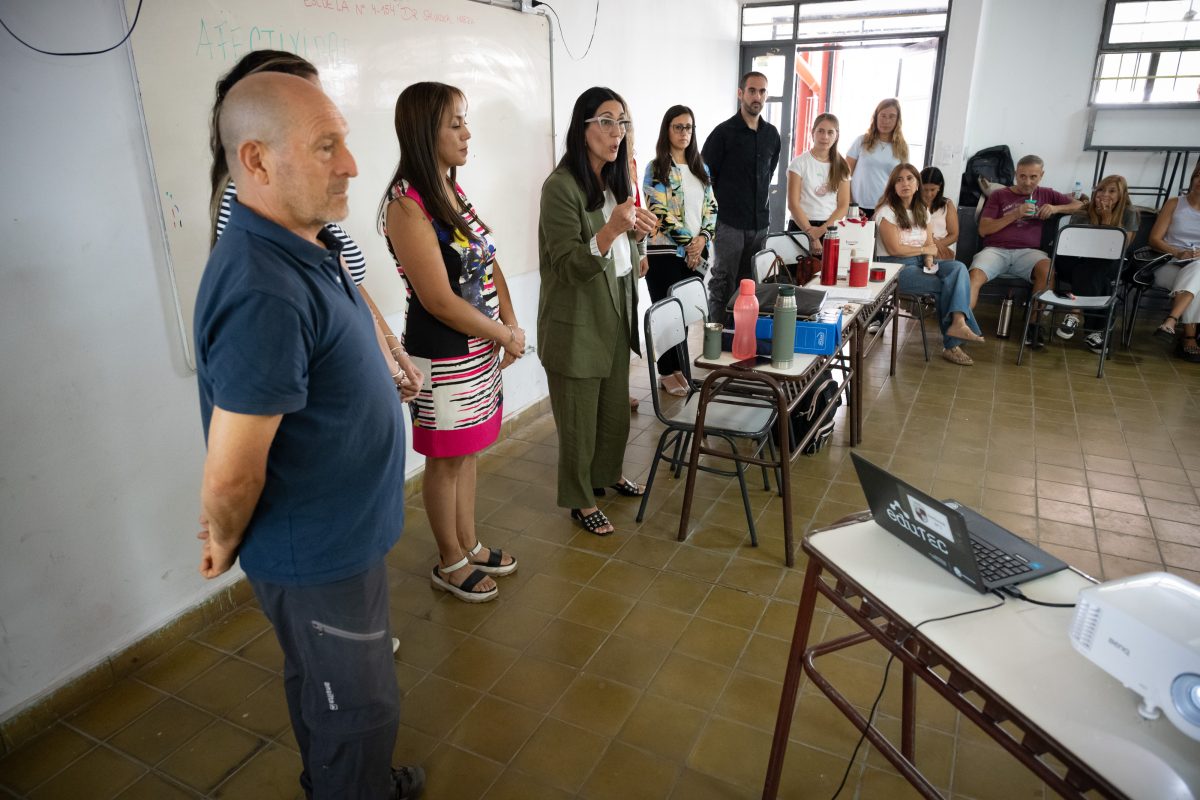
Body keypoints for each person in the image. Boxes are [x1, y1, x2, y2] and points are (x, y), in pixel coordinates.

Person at [195, 73, 423, 800]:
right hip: (316, 553)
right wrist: (224, 535)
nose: (351, 165)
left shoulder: (302, 242)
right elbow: (232, 472)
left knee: (331, 690)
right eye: (326, 147)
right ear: (256, 161)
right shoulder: (262, 286)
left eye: (343, 143)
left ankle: (350, 782)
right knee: (357, 710)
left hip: (339, 539)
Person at [208, 50, 422, 406]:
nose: (350, 166)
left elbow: (348, 284)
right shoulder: (255, 233)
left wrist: (392, 354)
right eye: (323, 143)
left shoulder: (300, 209)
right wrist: (387, 368)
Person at [380, 82, 522, 603]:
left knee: (467, 451)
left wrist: (509, 321)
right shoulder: (406, 205)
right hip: (442, 353)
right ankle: (449, 560)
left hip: (478, 346)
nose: (467, 133)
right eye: (455, 124)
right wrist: (503, 333)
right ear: (425, 132)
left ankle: (469, 542)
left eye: (466, 121)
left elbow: (487, 259)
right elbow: (438, 300)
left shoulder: (449, 190)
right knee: (444, 458)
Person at [538, 87, 656, 536]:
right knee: (579, 419)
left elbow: (624, 256)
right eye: (606, 121)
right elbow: (569, 265)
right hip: (577, 320)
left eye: (621, 122)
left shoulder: (612, 180)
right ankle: (580, 499)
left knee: (613, 412)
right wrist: (611, 229)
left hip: (615, 310)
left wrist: (639, 236)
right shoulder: (560, 187)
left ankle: (607, 474)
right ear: (582, 128)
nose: (616, 131)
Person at [967, 154, 1083, 348]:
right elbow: (983, 230)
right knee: (974, 276)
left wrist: (1055, 208)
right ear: (1016, 174)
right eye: (1022, 176)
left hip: (1029, 252)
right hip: (996, 250)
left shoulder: (1046, 194)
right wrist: (1015, 214)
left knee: (1047, 271)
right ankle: (962, 323)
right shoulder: (999, 195)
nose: (1027, 182)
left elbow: (1080, 206)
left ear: (1041, 175)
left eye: (1033, 177)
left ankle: (1034, 327)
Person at [874, 163, 985, 366]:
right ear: (893, 186)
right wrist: (925, 250)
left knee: (958, 268)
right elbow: (895, 249)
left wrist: (929, 261)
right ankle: (952, 344)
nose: (905, 183)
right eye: (899, 180)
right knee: (946, 286)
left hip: (919, 263)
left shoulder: (922, 210)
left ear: (917, 184)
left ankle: (959, 322)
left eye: (909, 178)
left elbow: (929, 245)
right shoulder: (886, 212)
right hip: (896, 268)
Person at [643, 104, 717, 397]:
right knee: (666, 314)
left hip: (696, 252)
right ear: (667, 130)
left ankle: (680, 368)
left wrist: (703, 238)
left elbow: (711, 208)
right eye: (678, 127)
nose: (684, 132)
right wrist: (689, 243)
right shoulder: (656, 168)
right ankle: (666, 372)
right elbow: (658, 211)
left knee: (684, 314)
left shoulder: (701, 168)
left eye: (688, 127)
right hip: (664, 254)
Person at [700, 71, 781, 321]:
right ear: (740, 93)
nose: (757, 96)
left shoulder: (772, 135)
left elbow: (768, 173)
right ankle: (717, 337)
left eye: (762, 91)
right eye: (752, 91)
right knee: (723, 283)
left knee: (751, 286)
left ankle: (742, 335)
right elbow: (706, 177)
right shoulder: (723, 133)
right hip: (729, 224)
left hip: (759, 224)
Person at [1055, 175, 1139, 350]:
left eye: (1112, 191)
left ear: (1122, 195)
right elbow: (1074, 246)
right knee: (1094, 273)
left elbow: (1120, 247)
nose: (1105, 194)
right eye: (1101, 189)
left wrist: (1107, 222)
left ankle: (1075, 313)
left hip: (1111, 262)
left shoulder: (1130, 213)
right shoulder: (1083, 211)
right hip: (1077, 260)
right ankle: (1097, 332)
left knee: (1094, 270)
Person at [1148, 161, 1200, 361]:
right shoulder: (1174, 203)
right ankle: (1188, 338)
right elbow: (1154, 239)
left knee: (1198, 271)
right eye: (1198, 175)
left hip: (1196, 266)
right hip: (1168, 262)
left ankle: (1171, 321)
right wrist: (1178, 252)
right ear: (1192, 178)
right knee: (1197, 280)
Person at [786, 112, 850, 254]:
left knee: (828, 269)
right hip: (800, 226)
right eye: (820, 131)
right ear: (813, 133)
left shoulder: (842, 166)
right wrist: (811, 234)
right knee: (797, 269)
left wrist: (821, 231)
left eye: (830, 132)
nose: (825, 136)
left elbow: (843, 206)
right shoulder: (799, 163)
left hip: (830, 229)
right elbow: (793, 204)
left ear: (836, 136)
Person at [845, 99, 907, 218]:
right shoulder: (861, 141)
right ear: (876, 117)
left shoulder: (902, 148)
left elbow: (903, 180)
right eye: (883, 115)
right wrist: (850, 203)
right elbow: (845, 175)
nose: (886, 121)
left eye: (891, 116)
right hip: (857, 207)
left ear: (897, 120)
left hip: (887, 208)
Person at [919, 166, 959, 258]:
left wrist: (935, 245)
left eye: (932, 190)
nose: (928, 194)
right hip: (918, 248)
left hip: (941, 251)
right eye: (925, 189)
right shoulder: (912, 204)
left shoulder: (947, 204)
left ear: (940, 187)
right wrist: (930, 245)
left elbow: (954, 235)